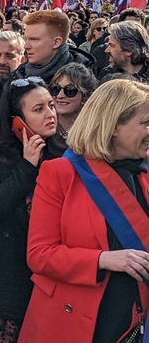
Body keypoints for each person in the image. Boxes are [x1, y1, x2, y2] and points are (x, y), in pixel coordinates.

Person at [19, 80, 149, 342]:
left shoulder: (143, 174)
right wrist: (103, 259)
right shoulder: (60, 173)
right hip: (69, 323)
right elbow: (39, 255)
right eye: (146, 122)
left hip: (133, 320)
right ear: (113, 126)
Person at [0, 76, 60, 342]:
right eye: (38, 109)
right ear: (15, 120)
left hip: (50, 282)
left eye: (51, 105)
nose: (50, 114)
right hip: (4, 286)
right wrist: (26, 167)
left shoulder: (63, 154)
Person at [12, 10, 95, 83]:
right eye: (26, 39)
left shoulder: (83, 80)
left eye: (34, 39)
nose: (26, 46)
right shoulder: (18, 75)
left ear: (56, 42)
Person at [49, 63, 98, 141]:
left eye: (70, 90)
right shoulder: (43, 130)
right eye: (56, 88)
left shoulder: (96, 134)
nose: (60, 95)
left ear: (86, 97)